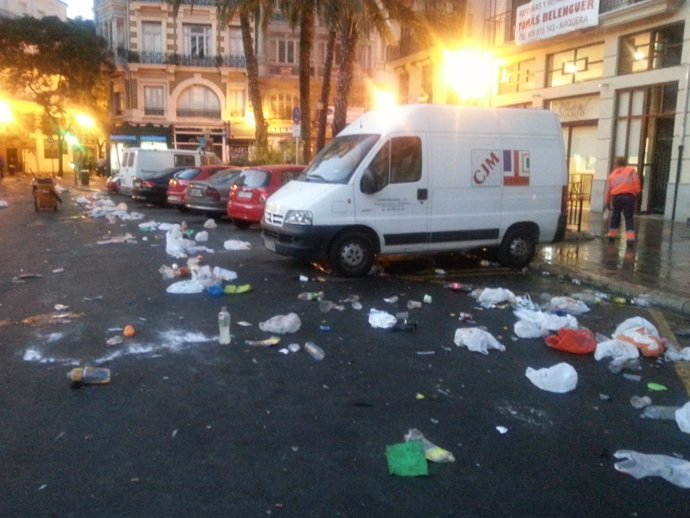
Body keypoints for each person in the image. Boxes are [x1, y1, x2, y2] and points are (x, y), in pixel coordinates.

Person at [605, 156, 641, 246]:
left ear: (616, 164)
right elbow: (637, 183)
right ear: (625, 163)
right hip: (629, 197)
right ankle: (630, 239)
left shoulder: (612, 175)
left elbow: (608, 190)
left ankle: (612, 235)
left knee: (615, 216)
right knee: (628, 217)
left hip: (616, 197)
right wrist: (637, 193)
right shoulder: (631, 171)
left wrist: (607, 202)